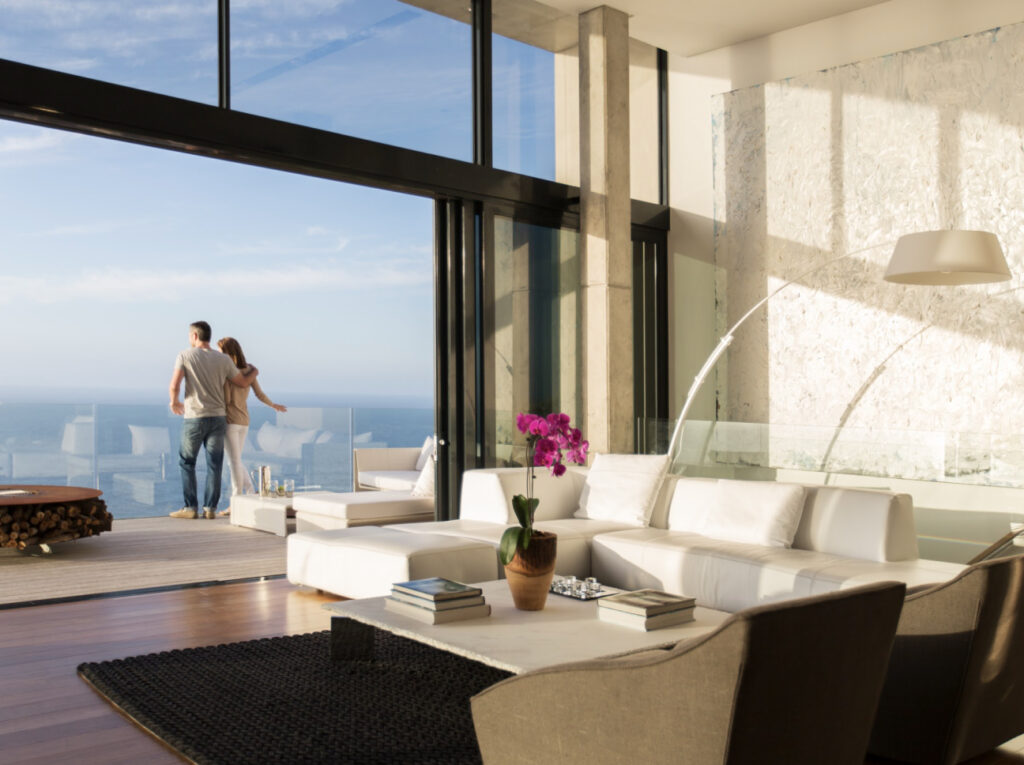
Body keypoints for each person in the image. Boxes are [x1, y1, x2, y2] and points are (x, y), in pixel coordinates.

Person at [168, 321, 258, 520]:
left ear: (194, 336)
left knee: (187, 462)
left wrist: (174, 402)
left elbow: (175, 384)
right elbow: (243, 382)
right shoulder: (224, 359)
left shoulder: (185, 355)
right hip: (218, 418)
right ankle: (210, 509)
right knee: (214, 464)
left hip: (194, 417)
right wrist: (254, 371)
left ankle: (190, 508)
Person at [216, 336, 287, 514]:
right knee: (236, 460)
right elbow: (259, 393)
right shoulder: (248, 370)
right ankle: (250, 492)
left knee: (233, 463)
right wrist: (273, 405)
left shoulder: (226, 372)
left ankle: (236, 502)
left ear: (227, 352)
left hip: (230, 422)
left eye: (219, 351)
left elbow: (226, 399)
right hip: (244, 421)